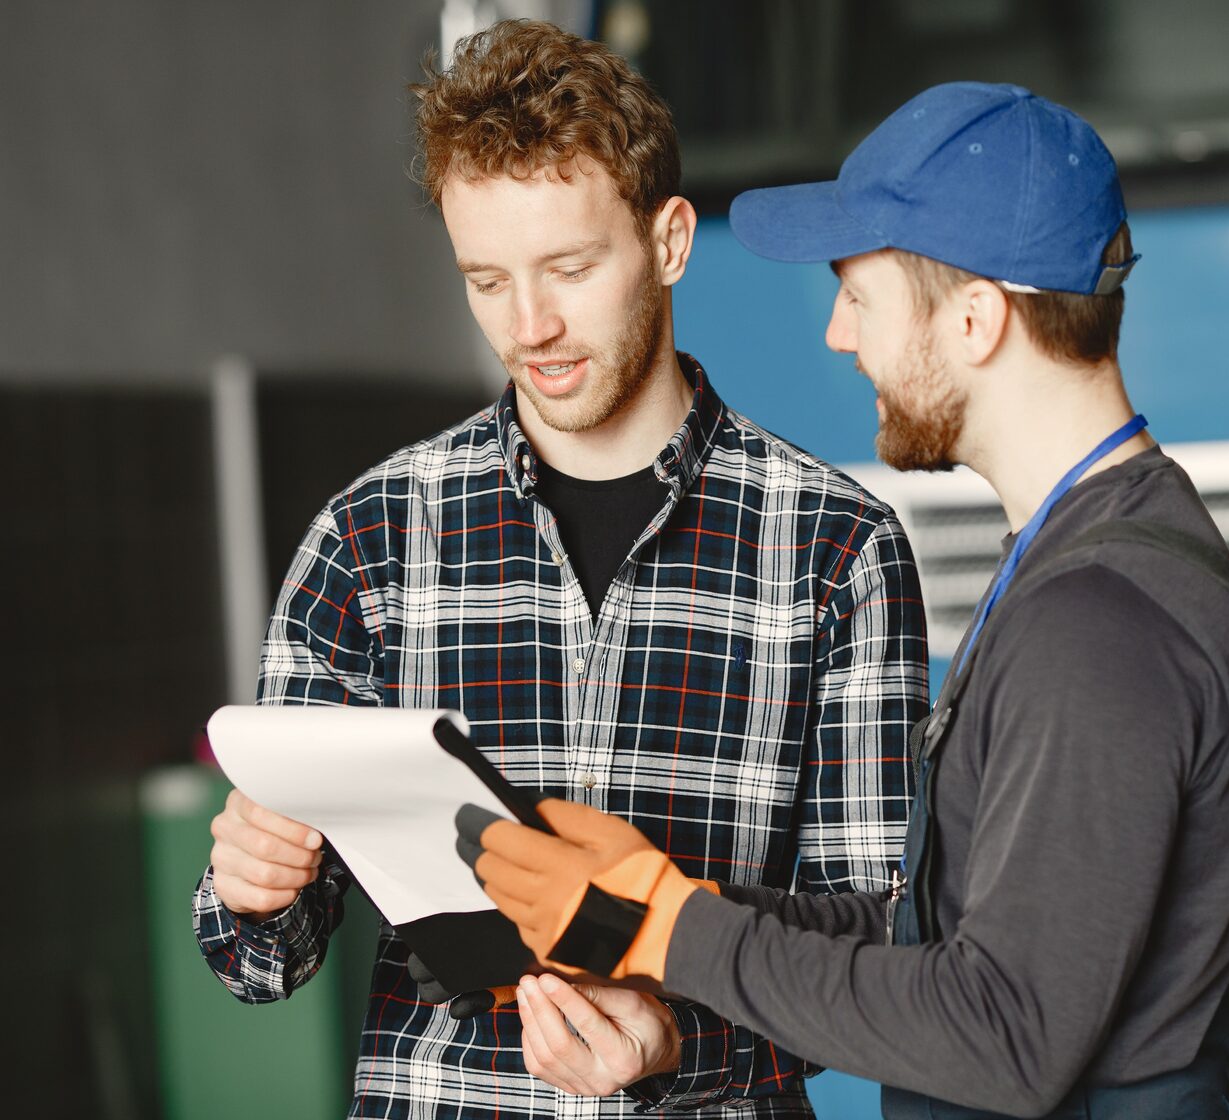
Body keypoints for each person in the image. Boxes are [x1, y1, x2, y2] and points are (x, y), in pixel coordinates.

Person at [463, 82, 1229, 1119]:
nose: (836, 334)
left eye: (859, 295)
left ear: (975, 318)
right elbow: (941, 935)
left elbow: (1004, 1031)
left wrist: (670, 927)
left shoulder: (1096, 627)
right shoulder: (1101, 561)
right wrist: (674, 905)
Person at [191, 21, 927, 1120]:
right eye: (486, 280)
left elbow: (882, 946)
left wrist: (677, 1037)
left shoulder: (838, 549)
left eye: (570, 268)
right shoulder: (369, 538)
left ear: (670, 240)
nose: (528, 325)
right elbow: (257, 965)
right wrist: (252, 892)